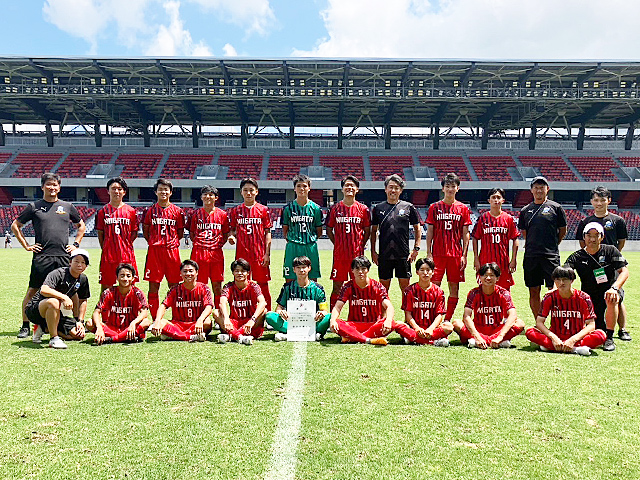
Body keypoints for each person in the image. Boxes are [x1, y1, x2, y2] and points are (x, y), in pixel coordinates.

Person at [12, 172, 86, 338]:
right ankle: (25, 325)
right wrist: (26, 246)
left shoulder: (67, 206)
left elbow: (81, 226)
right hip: (42, 256)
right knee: (33, 290)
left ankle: (76, 322)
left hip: (63, 257)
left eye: (55, 185)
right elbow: (15, 225)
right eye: (49, 184)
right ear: (42, 187)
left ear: (59, 187)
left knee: (71, 291)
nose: (52, 187)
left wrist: (75, 244)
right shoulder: (34, 207)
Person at [575, 186, 630, 341]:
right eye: (596, 200)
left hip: (612, 265)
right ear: (592, 202)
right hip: (593, 267)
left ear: (609, 201)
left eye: (602, 200)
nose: (599, 203)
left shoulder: (617, 221)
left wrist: (612, 257)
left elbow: (621, 241)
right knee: (595, 299)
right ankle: (597, 327)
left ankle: (622, 329)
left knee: (617, 297)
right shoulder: (585, 222)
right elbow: (582, 243)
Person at [564, 222, 629, 352]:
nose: (592, 239)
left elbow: (624, 271)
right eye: (589, 235)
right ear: (584, 237)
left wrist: (615, 288)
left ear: (602, 237)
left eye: (596, 235)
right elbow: (564, 273)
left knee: (612, 298)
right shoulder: (576, 256)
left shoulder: (610, 250)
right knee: (598, 327)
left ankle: (609, 338)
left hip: (610, 289)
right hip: (590, 295)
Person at [329, 256, 413, 346]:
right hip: (354, 325)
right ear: (352, 270)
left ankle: (352, 337)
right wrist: (333, 320)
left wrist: (388, 320)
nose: (360, 272)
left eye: (363, 269)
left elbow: (389, 306)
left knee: (391, 323)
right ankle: (368, 340)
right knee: (338, 323)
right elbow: (337, 307)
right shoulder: (348, 286)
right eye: (357, 269)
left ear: (368, 270)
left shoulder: (377, 286)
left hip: (374, 325)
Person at [526, 266, 605, 356]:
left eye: (565, 279)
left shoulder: (583, 298)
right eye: (558, 279)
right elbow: (539, 322)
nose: (561, 283)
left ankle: (552, 347)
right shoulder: (549, 297)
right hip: (556, 335)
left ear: (572, 280)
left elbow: (591, 325)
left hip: (577, 336)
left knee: (601, 335)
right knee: (530, 332)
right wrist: (554, 338)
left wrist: (573, 340)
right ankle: (576, 349)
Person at [518, 176, 567, 318]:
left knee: (555, 289)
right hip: (531, 256)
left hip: (550, 255)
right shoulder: (525, 210)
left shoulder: (556, 208)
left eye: (542, 187)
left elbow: (562, 230)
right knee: (533, 290)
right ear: (531, 190)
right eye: (536, 187)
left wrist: (553, 244)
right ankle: (539, 322)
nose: (539, 190)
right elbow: (525, 232)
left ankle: (556, 321)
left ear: (547, 189)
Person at [425, 172, 471, 321]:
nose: (450, 189)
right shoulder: (434, 207)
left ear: (458, 188)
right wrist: (429, 253)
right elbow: (430, 231)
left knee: (454, 287)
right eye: (447, 186)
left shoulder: (463, 208)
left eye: (453, 186)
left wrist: (464, 255)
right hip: (437, 254)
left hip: (455, 255)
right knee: (434, 286)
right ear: (443, 188)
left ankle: (447, 319)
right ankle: (435, 318)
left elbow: (465, 233)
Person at [26, 249, 91, 349]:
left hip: (57, 313)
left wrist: (79, 321)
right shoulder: (59, 273)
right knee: (54, 302)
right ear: (70, 262)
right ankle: (54, 338)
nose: (79, 265)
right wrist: (64, 297)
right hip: (36, 310)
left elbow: (83, 300)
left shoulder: (83, 279)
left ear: (86, 266)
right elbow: (44, 289)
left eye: (83, 262)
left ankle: (44, 328)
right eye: (76, 261)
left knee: (78, 335)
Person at [454, 262, 525, 349]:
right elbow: (466, 316)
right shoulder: (474, 293)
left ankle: (478, 341)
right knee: (456, 323)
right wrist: (477, 336)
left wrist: (500, 336)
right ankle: (497, 342)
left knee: (520, 323)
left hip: (497, 330)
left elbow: (513, 315)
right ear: (480, 277)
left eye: (492, 275)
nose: (488, 278)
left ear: (497, 278)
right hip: (478, 329)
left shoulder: (504, 293)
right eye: (485, 275)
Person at [371, 174, 421, 295]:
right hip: (384, 255)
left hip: (403, 255)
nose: (393, 190)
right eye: (391, 187)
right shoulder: (378, 208)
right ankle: (384, 309)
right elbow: (373, 231)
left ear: (401, 190)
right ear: (385, 189)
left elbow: (417, 229)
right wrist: (373, 251)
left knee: (405, 289)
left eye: (396, 188)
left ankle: (407, 309)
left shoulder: (408, 207)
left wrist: (416, 249)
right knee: (383, 290)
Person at [326, 175, 371, 309]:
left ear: (357, 189)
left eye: (352, 185)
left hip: (357, 256)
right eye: (347, 185)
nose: (349, 188)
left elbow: (367, 231)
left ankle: (357, 316)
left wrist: (360, 244)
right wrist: (337, 244)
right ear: (342, 189)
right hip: (340, 256)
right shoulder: (335, 208)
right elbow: (329, 229)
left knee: (358, 286)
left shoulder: (363, 209)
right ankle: (333, 316)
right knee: (337, 287)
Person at [143, 178, 185, 320]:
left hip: (172, 251)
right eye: (160, 189)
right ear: (156, 192)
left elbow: (179, 232)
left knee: (174, 286)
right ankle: (155, 319)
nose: (163, 192)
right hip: (155, 252)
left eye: (166, 189)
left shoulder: (178, 211)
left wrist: (169, 242)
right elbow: (146, 230)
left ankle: (177, 317)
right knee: (153, 286)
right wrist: (155, 242)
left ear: (171, 192)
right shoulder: (149, 211)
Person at [228, 178, 273, 309]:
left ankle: (267, 313)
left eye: (251, 190)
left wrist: (267, 254)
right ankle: (245, 311)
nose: (248, 193)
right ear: (241, 192)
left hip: (259, 254)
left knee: (263, 284)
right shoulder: (236, 211)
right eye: (245, 190)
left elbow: (267, 232)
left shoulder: (263, 210)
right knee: (242, 283)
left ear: (256, 192)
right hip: (242, 254)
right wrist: (231, 237)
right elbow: (232, 230)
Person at [265, 256, 331, 341]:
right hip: (291, 323)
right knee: (269, 316)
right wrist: (281, 312)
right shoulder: (287, 287)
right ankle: (312, 335)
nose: (301, 270)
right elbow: (278, 308)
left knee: (329, 317)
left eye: (304, 267)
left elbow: (325, 310)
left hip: (312, 323)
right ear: (294, 269)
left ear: (309, 268)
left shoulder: (318, 289)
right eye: (298, 268)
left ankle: (289, 334)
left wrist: (321, 313)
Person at [187, 185, 230, 308]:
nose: (208, 197)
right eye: (205, 194)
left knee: (217, 285)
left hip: (216, 253)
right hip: (199, 253)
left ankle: (218, 312)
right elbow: (192, 233)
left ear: (216, 197)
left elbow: (225, 234)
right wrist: (201, 244)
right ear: (201, 197)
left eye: (211, 194)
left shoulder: (222, 215)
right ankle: (200, 312)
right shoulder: (195, 214)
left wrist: (216, 245)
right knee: (199, 284)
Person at [87, 263, 151, 344]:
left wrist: (133, 323)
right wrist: (99, 328)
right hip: (111, 328)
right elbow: (96, 312)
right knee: (89, 323)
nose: (125, 279)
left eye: (128, 276)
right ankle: (125, 337)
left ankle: (112, 339)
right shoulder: (108, 292)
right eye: (122, 276)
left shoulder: (138, 293)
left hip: (129, 328)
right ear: (117, 278)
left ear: (133, 278)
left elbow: (144, 313)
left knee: (146, 322)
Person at [150, 259, 213, 342]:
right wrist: (157, 321)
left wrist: (200, 320)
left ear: (197, 272)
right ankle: (191, 337)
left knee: (207, 322)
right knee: (161, 323)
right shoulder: (175, 289)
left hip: (196, 323)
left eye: (191, 271)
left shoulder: (204, 288)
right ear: (180, 273)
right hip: (178, 324)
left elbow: (209, 307)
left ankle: (174, 335)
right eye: (185, 271)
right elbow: (163, 306)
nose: (188, 274)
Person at [95, 177, 139, 292]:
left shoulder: (131, 211)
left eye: (119, 189)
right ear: (108, 191)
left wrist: (125, 245)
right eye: (113, 188)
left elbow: (134, 232)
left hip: (126, 255)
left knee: (129, 286)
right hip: (108, 256)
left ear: (124, 192)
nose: (116, 191)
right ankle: (105, 305)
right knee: (106, 287)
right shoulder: (102, 211)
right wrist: (107, 247)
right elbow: (100, 233)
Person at [472, 188, 519, 290]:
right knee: (485, 289)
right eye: (493, 197)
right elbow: (475, 238)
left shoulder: (508, 219)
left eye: (498, 197)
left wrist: (513, 259)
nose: (496, 200)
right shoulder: (482, 218)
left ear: (503, 200)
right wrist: (476, 258)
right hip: (485, 260)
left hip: (503, 262)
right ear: (489, 200)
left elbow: (515, 238)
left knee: (504, 290)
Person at [400, 258, 452, 346]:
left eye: (428, 270)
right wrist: (417, 328)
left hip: (432, 328)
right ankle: (434, 341)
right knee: (398, 324)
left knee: (449, 326)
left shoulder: (438, 291)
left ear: (433, 272)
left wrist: (431, 329)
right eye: (422, 270)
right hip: (414, 328)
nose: (425, 273)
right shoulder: (409, 291)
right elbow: (408, 314)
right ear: (417, 272)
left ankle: (413, 339)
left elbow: (439, 315)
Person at [281, 174, 323, 281]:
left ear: (309, 188)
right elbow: (285, 230)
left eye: (304, 186)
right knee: (290, 278)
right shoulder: (287, 209)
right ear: (294, 188)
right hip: (293, 246)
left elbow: (319, 231)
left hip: (310, 246)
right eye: (298, 186)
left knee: (312, 279)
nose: (301, 189)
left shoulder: (316, 209)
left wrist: (309, 239)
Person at [215, 258, 267, 345]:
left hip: (251, 323)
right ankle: (240, 337)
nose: (240, 273)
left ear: (248, 273)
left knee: (264, 311)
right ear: (233, 272)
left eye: (243, 271)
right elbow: (222, 302)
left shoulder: (254, 286)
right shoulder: (228, 287)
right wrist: (226, 319)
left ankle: (232, 335)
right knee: (216, 313)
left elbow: (263, 302)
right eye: (237, 271)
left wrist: (252, 320)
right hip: (234, 322)